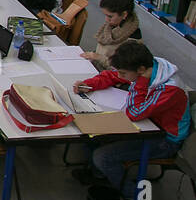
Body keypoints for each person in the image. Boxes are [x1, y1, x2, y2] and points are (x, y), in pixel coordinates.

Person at [73, 40, 191, 188]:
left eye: (123, 72)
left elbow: (134, 113)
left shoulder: (170, 89)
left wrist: (141, 83)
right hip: (148, 124)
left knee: (102, 157)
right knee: (93, 134)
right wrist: (88, 84)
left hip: (165, 139)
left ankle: (133, 196)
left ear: (141, 70)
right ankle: (101, 175)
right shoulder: (145, 67)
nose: (120, 75)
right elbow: (113, 76)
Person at [81, 0, 142, 69]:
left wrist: (98, 57)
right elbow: (102, 51)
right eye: (105, 15)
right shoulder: (111, 27)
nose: (106, 20)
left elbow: (123, 70)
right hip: (96, 68)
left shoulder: (133, 40)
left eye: (110, 16)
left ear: (124, 14)